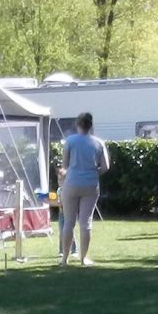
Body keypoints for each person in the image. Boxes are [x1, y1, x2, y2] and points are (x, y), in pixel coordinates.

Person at [59, 112, 110, 267]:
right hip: (90, 184)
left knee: (68, 222)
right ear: (91, 125)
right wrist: (93, 172)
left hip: (72, 183)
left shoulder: (70, 141)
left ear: (77, 124)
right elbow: (105, 167)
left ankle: (64, 259)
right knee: (85, 223)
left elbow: (65, 165)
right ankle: (83, 258)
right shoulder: (98, 142)